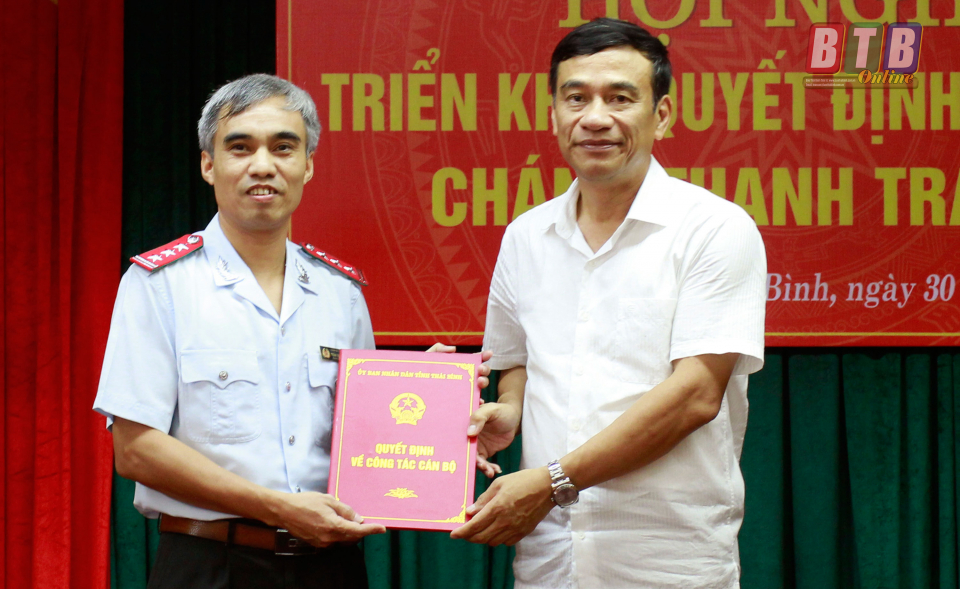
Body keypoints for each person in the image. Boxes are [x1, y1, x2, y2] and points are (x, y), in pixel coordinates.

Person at [94, 74, 487, 589]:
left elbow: (362, 441)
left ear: (308, 165)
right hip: (210, 564)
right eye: (240, 147)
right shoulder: (159, 285)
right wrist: (277, 507)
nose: (263, 165)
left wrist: (429, 403)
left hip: (330, 568)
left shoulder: (341, 292)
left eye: (283, 147)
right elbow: (136, 449)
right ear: (208, 165)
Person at [452, 18, 767, 589]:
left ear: (661, 115)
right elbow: (516, 360)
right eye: (576, 98)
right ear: (554, 114)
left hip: (667, 563)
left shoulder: (715, 228)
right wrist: (509, 410)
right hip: (549, 561)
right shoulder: (525, 237)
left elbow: (695, 396)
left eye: (620, 98)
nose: (595, 118)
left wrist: (551, 482)